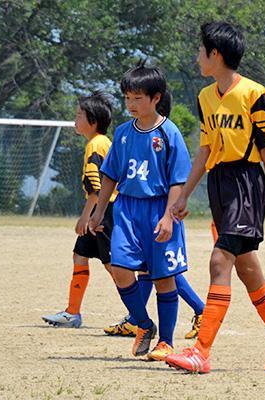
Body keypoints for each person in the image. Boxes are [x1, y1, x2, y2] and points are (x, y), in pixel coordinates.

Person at [166, 21, 265, 373]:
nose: (197, 57)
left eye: (201, 51)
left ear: (216, 55)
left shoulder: (255, 93)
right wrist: (183, 195)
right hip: (219, 184)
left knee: (219, 261)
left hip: (246, 182)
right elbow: (205, 150)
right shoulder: (205, 97)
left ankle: (201, 351)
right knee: (247, 269)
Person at [89, 61, 197, 361]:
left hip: (159, 209)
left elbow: (178, 179)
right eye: (127, 98)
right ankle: (143, 324)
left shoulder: (168, 133)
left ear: (156, 98)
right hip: (126, 209)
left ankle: (166, 341)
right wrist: (98, 212)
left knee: (164, 278)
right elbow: (110, 173)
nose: (131, 104)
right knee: (121, 270)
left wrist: (168, 216)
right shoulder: (123, 133)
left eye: (137, 98)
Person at [42, 91, 122, 329]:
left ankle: (136, 316)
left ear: (93, 121)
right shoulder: (102, 142)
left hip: (103, 211)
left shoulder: (96, 145)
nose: (75, 120)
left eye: (79, 115)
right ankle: (72, 313)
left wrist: (85, 218)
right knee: (80, 256)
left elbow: (97, 190)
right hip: (102, 209)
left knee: (113, 266)